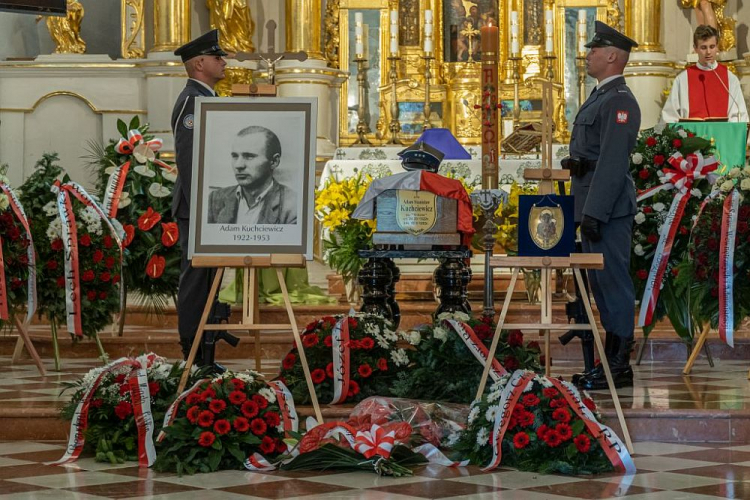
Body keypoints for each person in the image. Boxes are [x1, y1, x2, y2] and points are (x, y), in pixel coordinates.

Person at [565, 21, 641, 390]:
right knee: (600, 285)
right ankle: (609, 365)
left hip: (607, 208)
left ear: (612, 56)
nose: (589, 54)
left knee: (613, 284)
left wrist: (594, 211)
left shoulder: (620, 101)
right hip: (593, 203)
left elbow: (612, 162)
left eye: (595, 49)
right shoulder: (600, 96)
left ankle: (618, 366)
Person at [171, 29, 227, 360]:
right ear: (199, 63)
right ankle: (192, 354)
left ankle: (205, 356)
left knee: (209, 282)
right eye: (217, 57)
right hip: (197, 208)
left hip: (206, 207)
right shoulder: (193, 101)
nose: (223, 62)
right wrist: (204, 209)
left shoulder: (206, 98)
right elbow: (188, 159)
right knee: (196, 282)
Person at [207, 125, 297, 225]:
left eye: (249, 156)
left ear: (274, 162)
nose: (238, 165)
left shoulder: (292, 205)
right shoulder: (215, 199)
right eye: (235, 156)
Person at [661, 25, 748, 123]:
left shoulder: (730, 79)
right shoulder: (682, 79)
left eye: (712, 46)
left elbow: (739, 116)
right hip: (691, 137)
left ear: (717, 47)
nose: (708, 52)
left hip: (722, 136)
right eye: (703, 47)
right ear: (695, 48)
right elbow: (670, 116)